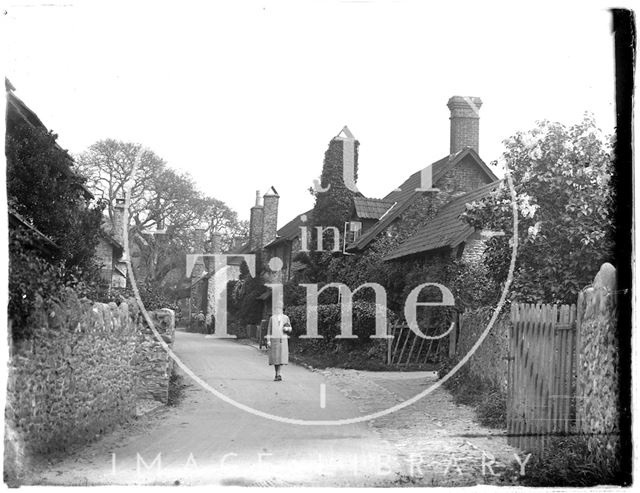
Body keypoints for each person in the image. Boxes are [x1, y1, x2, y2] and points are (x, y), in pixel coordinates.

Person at [266, 311, 292, 381]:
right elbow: (269, 330)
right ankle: (277, 374)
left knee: (281, 358)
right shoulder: (272, 318)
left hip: (283, 341)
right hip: (274, 341)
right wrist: (268, 340)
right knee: (275, 359)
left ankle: (278, 374)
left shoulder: (286, 318)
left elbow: (290, 329)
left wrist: (287, 329)